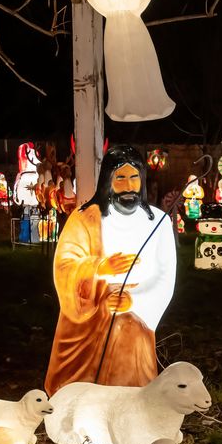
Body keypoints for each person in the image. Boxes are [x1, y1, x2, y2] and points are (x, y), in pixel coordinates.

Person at [45, 145, 177, 395]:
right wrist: (99, 268)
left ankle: (128, 404)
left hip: (133, 316)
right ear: (108, 180)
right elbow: (65, 266)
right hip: (89, 315)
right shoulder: (84, 219)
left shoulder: (159, 222)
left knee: (126, 330)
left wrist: (133, 301)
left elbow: (164, 276)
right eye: (121, 178)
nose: (128, 186)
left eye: (134, 177)